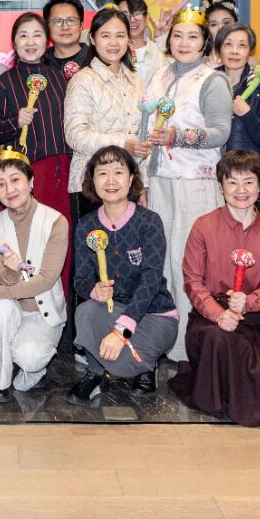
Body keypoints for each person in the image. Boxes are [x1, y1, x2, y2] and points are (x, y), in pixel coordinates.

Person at [169, 150, 260, 425]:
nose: (241, 190)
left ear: (259, 186)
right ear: (221, 187)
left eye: (248, 182)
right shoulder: (203, 226)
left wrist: (249, 302)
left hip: (257, 319)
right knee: (223, 342)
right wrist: (219, 314)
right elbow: (192, 281)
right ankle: (225, 395)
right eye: (232, 182)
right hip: (210, 319)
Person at [143, 6, 232, 360]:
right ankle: (164, 340)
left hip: (195, 183)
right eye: (177, 35)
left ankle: (188, 349)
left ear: (205, 43)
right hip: (159, 181)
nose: (183, 42)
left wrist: (177, 137)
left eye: (193, 36)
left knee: (190, 265)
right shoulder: (160, 75)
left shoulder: (212, 80)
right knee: (161, 262)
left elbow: (221, 132)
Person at [68, 146, 177, 405]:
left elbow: (151, 280)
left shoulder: (149, 221)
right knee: (86, 311)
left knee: (128, 360)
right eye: (102, 173)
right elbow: (80, 280)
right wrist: (94, 290)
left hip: (154, 314)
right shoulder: (86, 225)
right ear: (92, 181)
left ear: (131, 179)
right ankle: (96, 373)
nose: (111, 181)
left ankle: (146, 366)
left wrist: (120, 331)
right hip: (111, 310)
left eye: (118, 172)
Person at [0, 147, 68, 400]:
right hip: (10, 308)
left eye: (15, 180)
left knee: (28, 357)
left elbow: (45, 281)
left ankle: (32, 369)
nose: (9, 190)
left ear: (31, 181)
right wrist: (11, 273)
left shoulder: (56, 221)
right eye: (0, 184)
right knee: (0, 310)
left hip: (41, 311)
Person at [0, 13, 71, 282]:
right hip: (22, 174)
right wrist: (15, 122)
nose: (30, 42)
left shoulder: (60, 79)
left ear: (47, 41)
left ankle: (61, 302)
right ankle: (20, 294)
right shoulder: (4, 82)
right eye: (23, 35)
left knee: (58, 236)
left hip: (60, 171)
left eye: (37, 35)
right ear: (14, 42)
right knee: (25, 239)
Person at [64, 7, 146, 227]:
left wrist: (142, 184)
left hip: (127, 184)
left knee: (129, 247)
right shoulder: (83, 80)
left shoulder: (136, 81)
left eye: (120, 35)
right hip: (90, 185)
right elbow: (75, 136)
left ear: (128, 39)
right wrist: (123, 144)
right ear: (92, 39)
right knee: (95, 247)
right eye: (105, 36)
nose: (113, 43)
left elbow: (140, 138)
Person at [216, 24, 260, 209]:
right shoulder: (207, 83)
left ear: (250, 51)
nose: (235, 51)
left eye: (242, 45)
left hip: (247, 182)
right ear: (219, 48)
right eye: (228, 44)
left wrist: (247, 115)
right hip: (212, 179)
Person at [114, 0, 164, 85]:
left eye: (137, 13)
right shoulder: (111, 53)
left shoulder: (159, 51)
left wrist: (161, 37)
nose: (132, 20)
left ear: (146, 19)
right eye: (125, 15)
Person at [43, 0, 93, 78]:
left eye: (71, 21)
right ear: (47, 27)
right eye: (58, 21)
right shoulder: (39, 62)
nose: (65, 27)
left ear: (81, 25)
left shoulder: (95, 60)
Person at [202, 0, 239, 66]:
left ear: (236, 24)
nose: (220, 29)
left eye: (226, 23)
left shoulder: (252, 65)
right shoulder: (198, 65)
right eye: (213, 24)